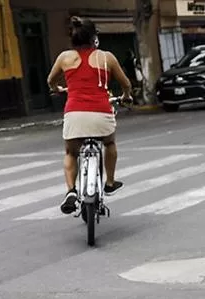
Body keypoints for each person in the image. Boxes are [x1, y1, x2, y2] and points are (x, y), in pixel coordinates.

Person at [46, 17, 131, 215]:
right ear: (94, 37)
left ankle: (71, 191)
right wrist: (127, 96)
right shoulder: (106, 57)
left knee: (71, 153)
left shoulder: (64, 58)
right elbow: (125, 83)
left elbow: (51, 80)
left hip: (75, 114)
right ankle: (109, 182)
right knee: (109, 144)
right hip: (101, 114)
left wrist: (57, 88)